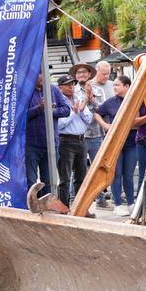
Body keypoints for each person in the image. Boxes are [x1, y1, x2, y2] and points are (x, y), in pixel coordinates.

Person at [94, 76, 146, 216]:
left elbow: (137, 121)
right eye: (114, 85)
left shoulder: (136, 101)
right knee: (116, 174)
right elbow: (97, 113)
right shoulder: (111, 102)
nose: (114, 88)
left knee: (129, 175)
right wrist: (105, 125)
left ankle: (131, 203)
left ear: (127, 86)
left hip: (132, 142)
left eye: (117, 85)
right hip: (115, 143)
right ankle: (118, 204)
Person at [24, 73, 71, 197]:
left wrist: (51, 110)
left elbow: (66, 110)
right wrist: (39, 108)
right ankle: (31, 209)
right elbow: (21, 116)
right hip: (31, 145)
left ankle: (46, 210)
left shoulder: (53, 89)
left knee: (49, 181)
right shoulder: (24, 90)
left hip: (51, 144)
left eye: (45, 74)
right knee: (31, 181)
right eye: (40, 74)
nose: (43, 77)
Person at [55, 74, 93, 207]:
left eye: (72, 84)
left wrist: (81, 111)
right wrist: (73, 113)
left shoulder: (78, 98)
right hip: (65, 141)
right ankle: (64, 207)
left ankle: (80, 207)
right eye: (67, 84)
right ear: (60, 88)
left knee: (81, 177)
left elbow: (89, 119)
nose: (71, 87)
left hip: (81, 140)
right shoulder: (58, 102)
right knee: (65, 178)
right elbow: (59, 125)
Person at [85, 61, 113, 208]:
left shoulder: (113, 85)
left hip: (107, 132)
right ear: (96, 71)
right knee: (85, 167)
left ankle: (101, 196)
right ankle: (75, 196)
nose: (106, 76)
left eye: (108, 73)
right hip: (90, 131)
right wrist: (90, 97)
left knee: (102, 166)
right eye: (103, 73)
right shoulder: (89, 86)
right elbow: (99, 109)